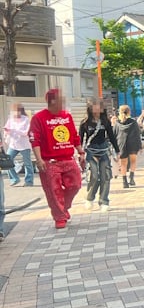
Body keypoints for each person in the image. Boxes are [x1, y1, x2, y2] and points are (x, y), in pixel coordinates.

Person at [29, 88, 84, 228]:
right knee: (53, 191)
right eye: (61, 99)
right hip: (50, 162)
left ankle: (63, 207)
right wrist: (39, 159)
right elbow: (34, 139)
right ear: (52, 101)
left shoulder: (67, 116)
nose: (63, 102)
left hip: (68, 158)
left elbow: (74, 135)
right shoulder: (38, 118)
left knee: (76, 184)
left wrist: (80, 151)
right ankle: (59, 216)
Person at [79, 99, 120, 212]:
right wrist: (80, 153)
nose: (98, 108)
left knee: (105, 176)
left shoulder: (105, 121)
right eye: (95, 106)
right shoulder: (85, 122)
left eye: (99, 106)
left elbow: (111, 136)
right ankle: (90, 197)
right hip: (91, 150)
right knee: (94, 176)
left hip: (103, 149)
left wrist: (117, 151)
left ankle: (104, 201)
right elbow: (80, 139)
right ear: (90, 108)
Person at [4, 103, 34, 186]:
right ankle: (14, 179)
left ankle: (29, 181)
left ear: (21, 111)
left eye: (17, 111)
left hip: (24, 145)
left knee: (27, 163)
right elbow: (6, 129)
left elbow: (25, 133)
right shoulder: (10, 119)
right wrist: (6, 132)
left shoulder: (26, 119)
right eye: (14, 111)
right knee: (7, 161)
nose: (16, 113)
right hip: (13, 144)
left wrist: (13, 130)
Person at [115, 105, 141, 188]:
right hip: (132, 143)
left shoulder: (117, 123)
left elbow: (114, 134)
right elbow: (137, 134)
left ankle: (124, 181)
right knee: (133, 161)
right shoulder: (133, 122)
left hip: (121, 144)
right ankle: (131, 178)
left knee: (123, 163)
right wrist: (139, 146)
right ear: (129, 111)